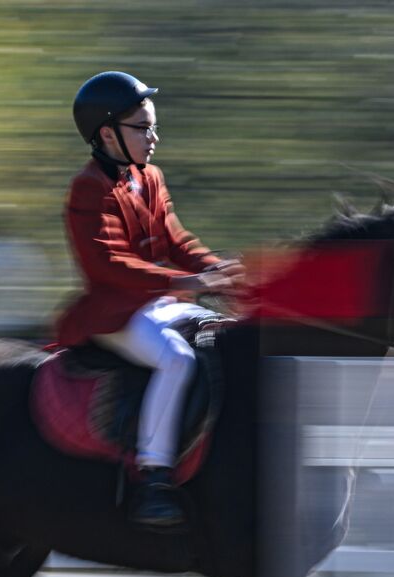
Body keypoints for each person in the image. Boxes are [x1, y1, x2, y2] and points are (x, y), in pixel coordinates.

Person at [58, 71, 244, 531]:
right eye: (143, 128)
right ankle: (154, 478)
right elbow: (109, 266)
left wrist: (218, 270)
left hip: (158, 303)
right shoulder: (88, 188)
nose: (154, 137)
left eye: (153, 126)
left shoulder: (150, 177)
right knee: (178, 359)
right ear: (107, 134)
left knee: (223, 338)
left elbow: (176, 241)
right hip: (114, 314)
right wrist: (190, 283)